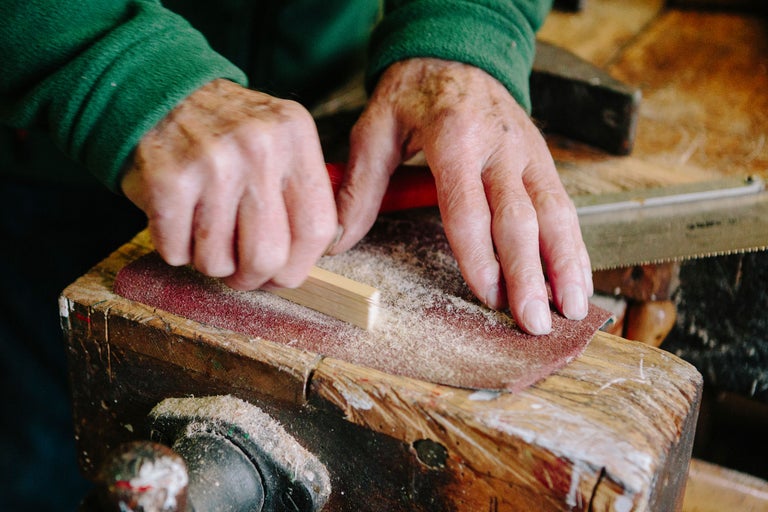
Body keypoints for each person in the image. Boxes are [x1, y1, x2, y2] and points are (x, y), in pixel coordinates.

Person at [1, 0, 592, 508]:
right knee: (41, 462)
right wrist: (121, 65)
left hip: (327, 103)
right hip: (48, 146)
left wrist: (465, 29)